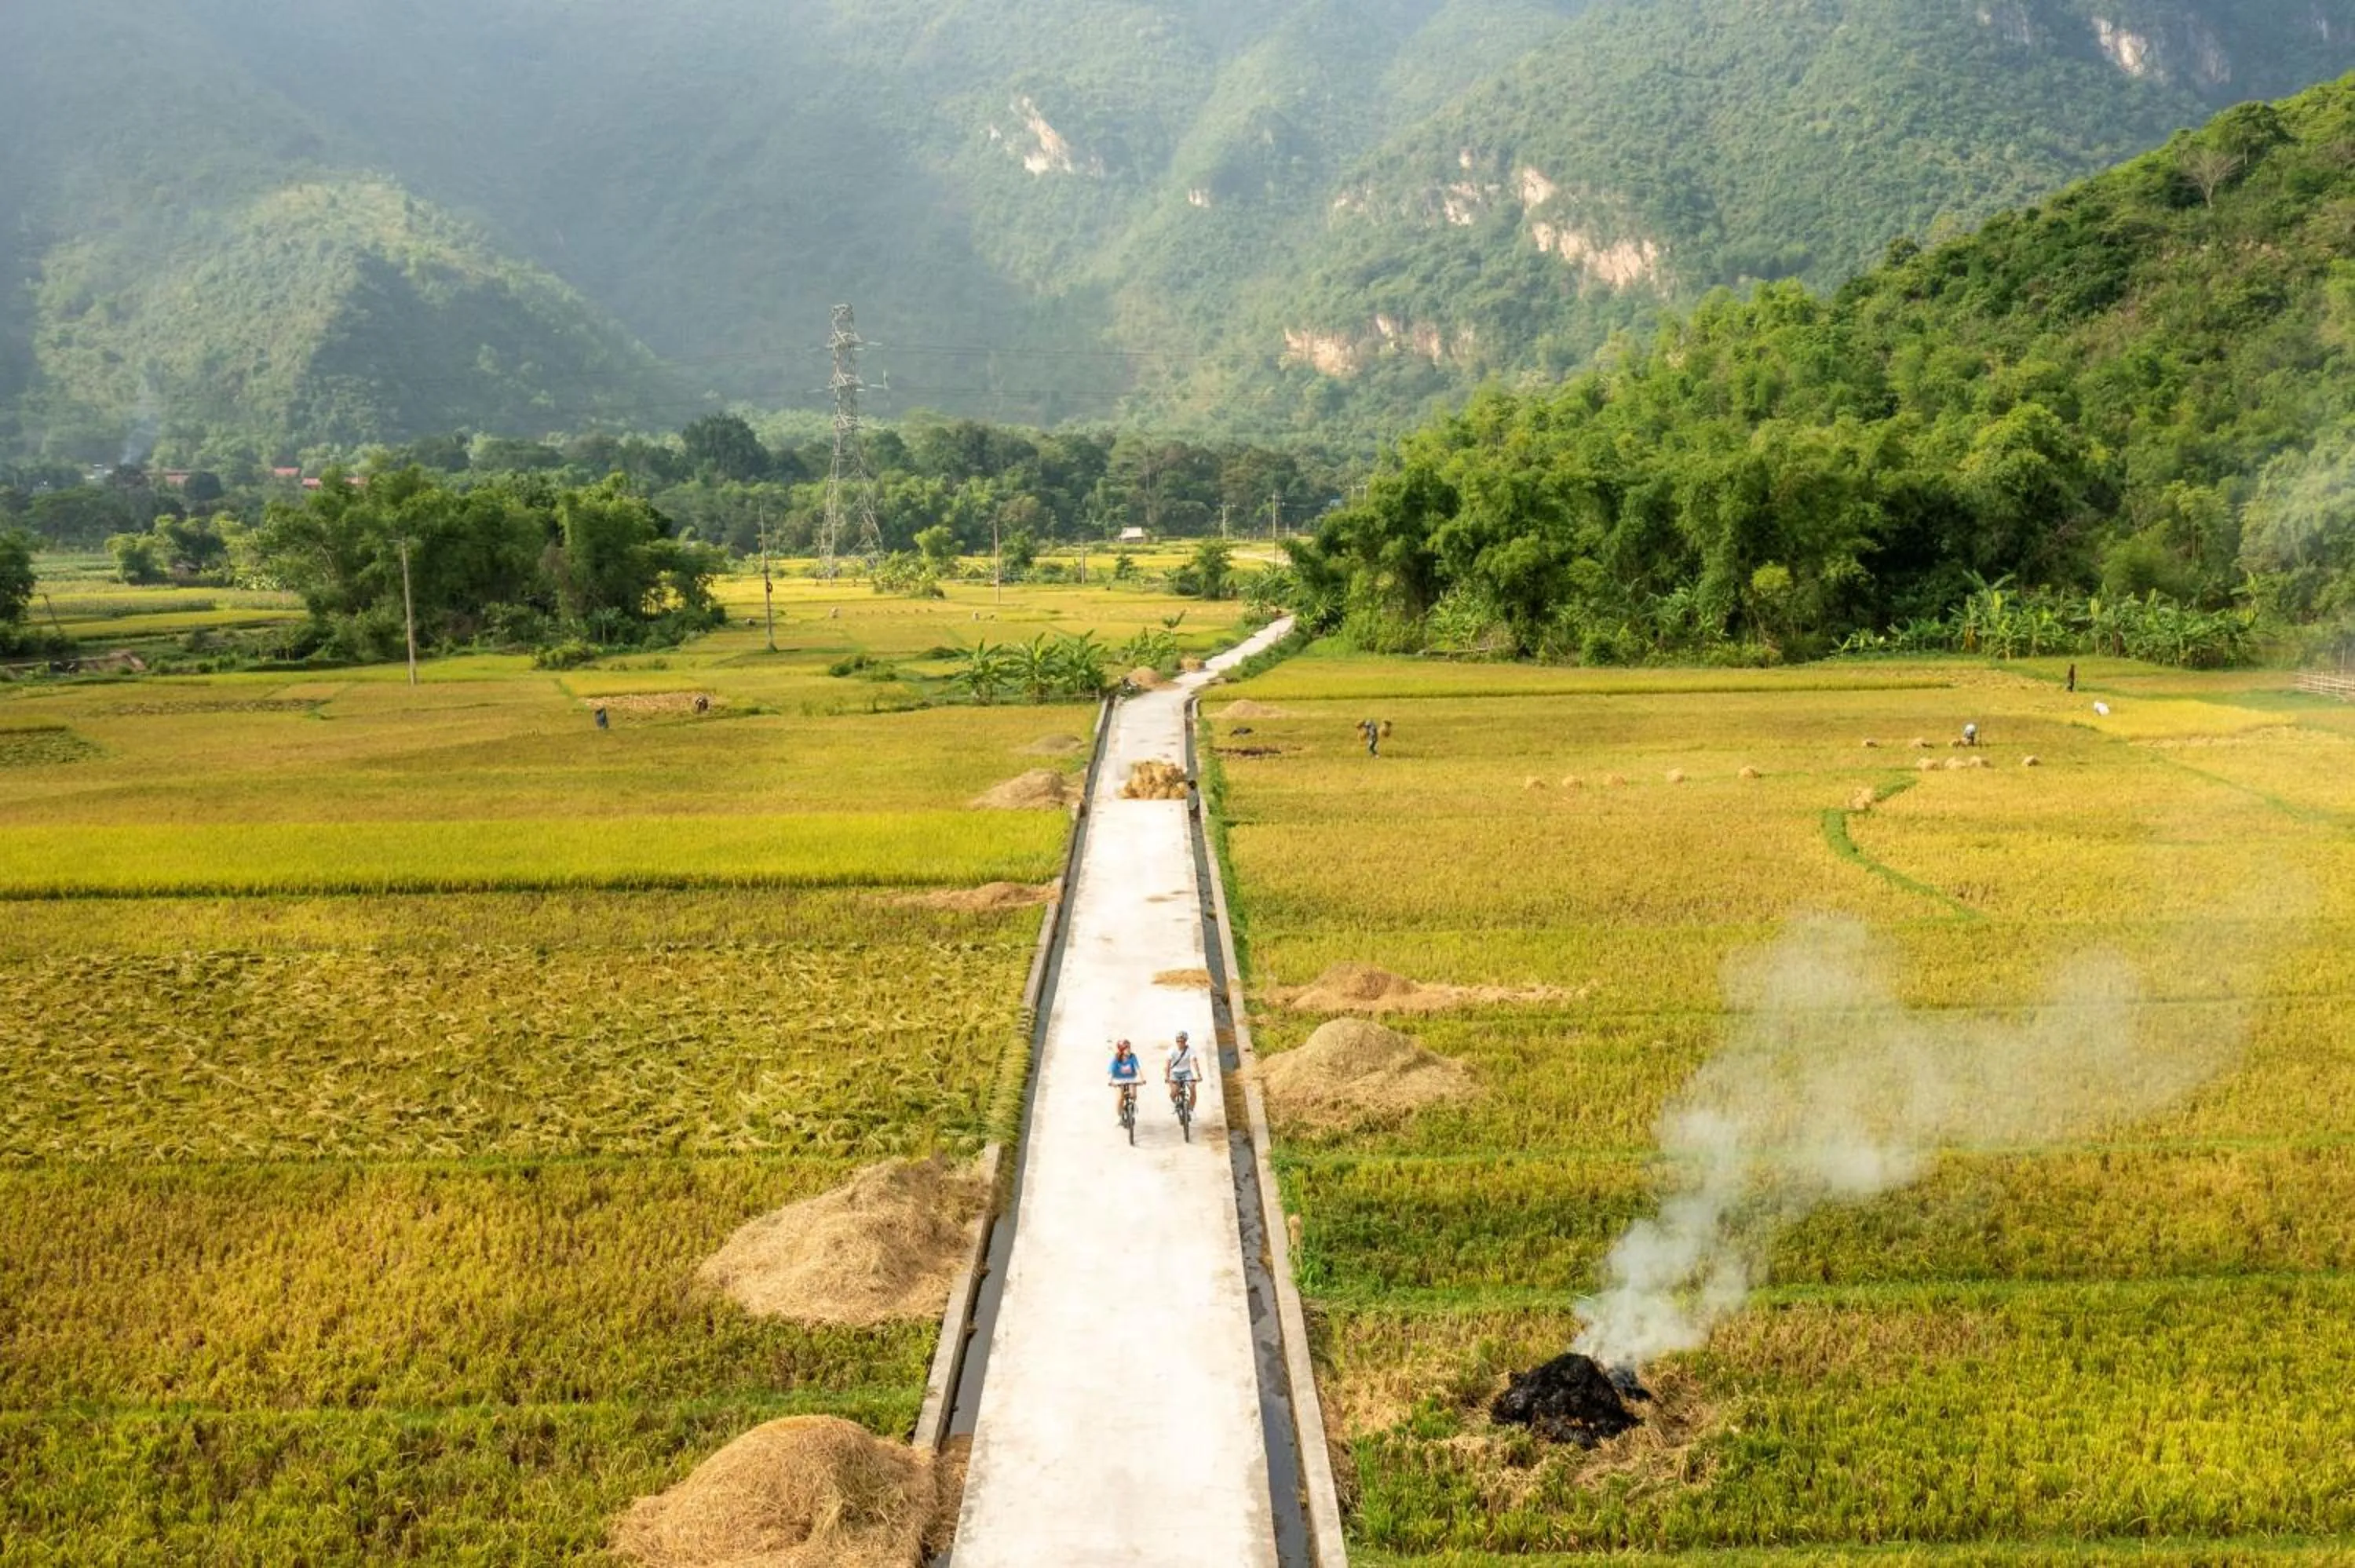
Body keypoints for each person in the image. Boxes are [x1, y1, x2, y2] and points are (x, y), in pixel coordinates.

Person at [1165, 1029, 1199, 1118]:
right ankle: (1175, 1103)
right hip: (1175, 1073)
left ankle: (1191, 1110)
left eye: (1182, 1041)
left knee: (1192, 1089)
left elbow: (1194, 1062)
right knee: (1174, 1091)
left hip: (1186, 1072)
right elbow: (1167, 1064)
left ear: (1185, 1041)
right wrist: (1167, 1077)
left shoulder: (1190, 1050)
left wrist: (1198, 1074)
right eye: (1178, 1041)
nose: (1180, 1043)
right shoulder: (1172, 1050)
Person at [1108, 1038, 1143, 1123]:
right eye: (1127, 1048)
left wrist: (1142, 1079)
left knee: (1133, 1095)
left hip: (1130, 1078)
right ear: (1122, 1050)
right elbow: (1112, 1071)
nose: (1129, 1050)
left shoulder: (1133, 1056)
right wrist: (1110, 1081)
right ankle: (1119, 1116)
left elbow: (1138, 1068)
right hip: (1118, 1079)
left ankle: (1131, 1109)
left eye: (1129, 1047)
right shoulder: (1116, 1058)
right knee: (1120, 1098)